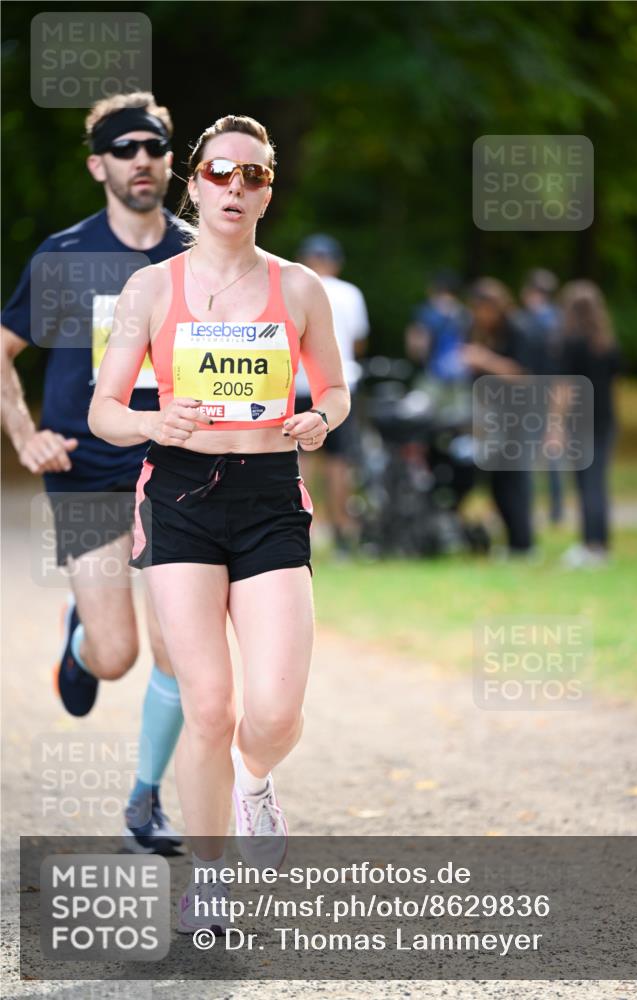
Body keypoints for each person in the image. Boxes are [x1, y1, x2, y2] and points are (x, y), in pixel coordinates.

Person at [88, 114, 350, 933]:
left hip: (271, 493)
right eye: (221, 173)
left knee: (269, 715)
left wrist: (322, 420)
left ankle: (256, 782)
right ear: (192, 182)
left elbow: (335, 391)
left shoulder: (298, 288)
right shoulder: (151, 288)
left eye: (255, 176)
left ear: (268, 192)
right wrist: (152, 423)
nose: (236, 188)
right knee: (207, 704)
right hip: (180, 496)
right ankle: (208, 878)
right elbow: (103, 410)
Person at [1, 92, 192, 853]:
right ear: (98, 165)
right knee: (117, 657)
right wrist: (27, 435)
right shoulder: (66, 256)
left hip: (178, 468)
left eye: (152, 148)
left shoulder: (198, 252)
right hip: (85, 470)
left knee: (181, 647)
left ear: (170, 162)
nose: (139, 160)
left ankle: (144, 804)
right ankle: (82, 634)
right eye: (123, 149)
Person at [294, 234, 369, 555]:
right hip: (338, 386)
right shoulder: (350, 292)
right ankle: (342, 534)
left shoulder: (295, 287)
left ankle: (300, 528)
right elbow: (358, 341)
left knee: (300, 460)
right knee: (340, 461)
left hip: (298, 382)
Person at [461, 277, 535, 556]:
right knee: (496, 481)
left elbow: (525, 375)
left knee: (515, 480)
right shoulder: (477, 330)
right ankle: (512, 542)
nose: (480, 316)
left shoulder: (518, 330)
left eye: (483, 309)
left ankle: (523, 543)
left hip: (518, 414)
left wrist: (485, 360)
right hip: (490, 417)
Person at [555, 281, 621, 568]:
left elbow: (565, 389)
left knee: (587, 484)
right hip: (606, 419)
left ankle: (590, 546)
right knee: (598, 482)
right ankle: (600, 544)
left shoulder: (571, 343)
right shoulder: (607, 344)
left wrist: (555, 424)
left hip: (581, 421)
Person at [514, 268, 564, 523]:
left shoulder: (526, 322)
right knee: (552, 452)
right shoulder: (560, 320)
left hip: (533, 392)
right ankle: (556, 509)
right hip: (555, 391)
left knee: (531, 452)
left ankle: (530, 508)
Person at [404, 268, 469, 384]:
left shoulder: (425, 312)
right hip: (463, 380)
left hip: (432, 379)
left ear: (433, 289)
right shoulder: (467, 313)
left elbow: (415, 350)